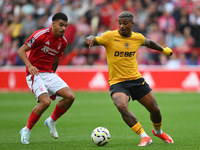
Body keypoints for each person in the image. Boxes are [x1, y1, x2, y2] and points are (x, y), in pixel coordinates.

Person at [84, 11, 174, 146]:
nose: (121, 26)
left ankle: (158, 131)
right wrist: (90, 37)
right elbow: (94, 39)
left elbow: (149, 43)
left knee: (155, 110)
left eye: (125, 23)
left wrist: (163, 50)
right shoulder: (109, 36)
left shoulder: (137, 38)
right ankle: (144, 136)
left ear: (132, 24)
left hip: (136, 79)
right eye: (119, 23)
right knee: (121, 106)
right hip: (118, 82)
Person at [17, 12, 75, 144]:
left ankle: (51, 121)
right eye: (61, 25)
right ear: (53, 24)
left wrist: (52, 78)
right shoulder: (40, 35)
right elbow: (21, 50)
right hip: (34, 73)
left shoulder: (63, 42)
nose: (63, 29)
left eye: (65, 26)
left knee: (70, 97)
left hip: (48, 74)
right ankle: (26, 130)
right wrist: (29, 66)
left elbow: (55, 60)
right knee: (46, 102)